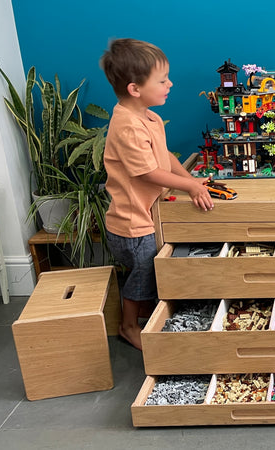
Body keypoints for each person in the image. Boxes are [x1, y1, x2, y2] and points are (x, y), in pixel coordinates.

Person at [100, 39, 214, 350]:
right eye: (162, 80)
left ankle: (147, 308)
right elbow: (146, 173)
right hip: (133, 223)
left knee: (152, 270)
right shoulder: (128, 126)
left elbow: (163, 157)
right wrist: (189, 187)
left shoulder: (147, 116)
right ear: (135, 89)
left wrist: (191, 179)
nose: (170, 84)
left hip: (150, 215)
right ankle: (128, 325)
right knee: (145, 271)